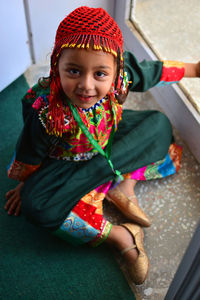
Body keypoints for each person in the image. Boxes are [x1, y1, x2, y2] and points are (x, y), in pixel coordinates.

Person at [4, 6, 200, 285]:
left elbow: (154, 71)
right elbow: (30, 154)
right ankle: (122, 235)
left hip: (106, 143)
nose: (86, 85)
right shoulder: (46, 111)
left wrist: (194, 69)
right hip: (64, 162)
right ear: (56, 64)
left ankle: (124, 186)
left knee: (159, 125)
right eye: (73, 70)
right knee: (37, 206)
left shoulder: (122, 78)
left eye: (100, 74)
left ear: (118, 68)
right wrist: (27, 183)